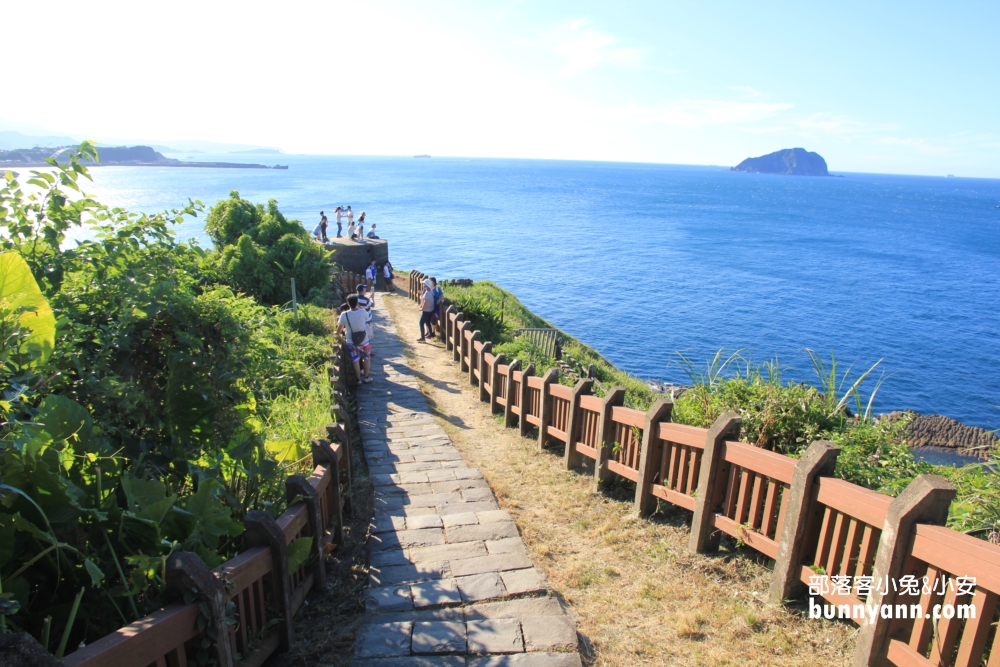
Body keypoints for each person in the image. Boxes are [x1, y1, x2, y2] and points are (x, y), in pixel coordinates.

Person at [337, 295, 372, 384]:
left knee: (355, 360)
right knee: (366, 358)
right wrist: (359, 306)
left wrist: (336, 334)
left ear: (348, 304)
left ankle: (358, 380)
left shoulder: (344, 315)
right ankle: (366, 377)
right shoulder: (363, 312)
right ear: (357, 303)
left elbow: (339, 329)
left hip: (351, 341)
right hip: (364, 340)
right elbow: (367, 318)